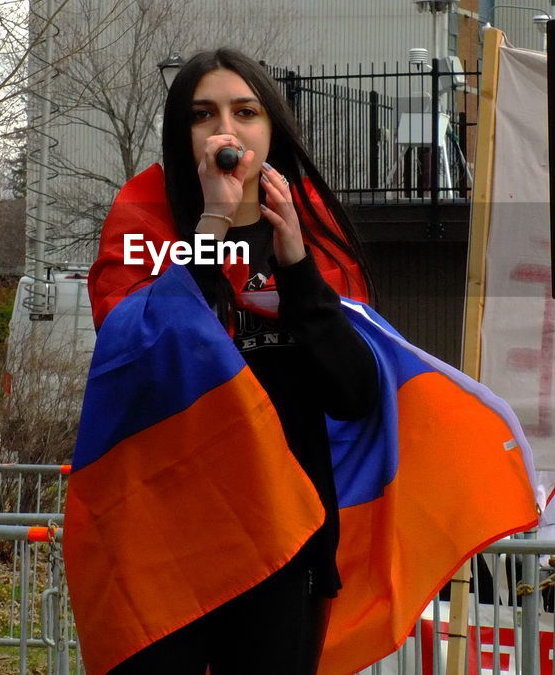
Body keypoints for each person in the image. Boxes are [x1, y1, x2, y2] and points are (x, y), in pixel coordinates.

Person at [86, 47, 381, 673]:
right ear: (180, 134)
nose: (226, 130)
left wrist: (297, 265)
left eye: (245, 111)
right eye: (204, 115)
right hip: (165, 545)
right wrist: (212, 225)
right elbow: (145, 364)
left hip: (284, 540)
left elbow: (355, 394)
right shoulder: (142, 224)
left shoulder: (315, 234)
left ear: (271, 128)